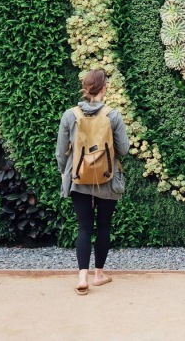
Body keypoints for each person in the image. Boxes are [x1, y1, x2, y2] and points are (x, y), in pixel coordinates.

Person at [56, 69, 129, 295]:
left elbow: (61, 151)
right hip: (106, 179)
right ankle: (98, 274)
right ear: (104, 88)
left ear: (85, 88)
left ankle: (81, 277)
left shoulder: (70, 115)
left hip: (78, 177)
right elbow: (124, 149)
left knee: (84, 227)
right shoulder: (113, 115)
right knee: (104, 226)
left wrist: (63, 173)